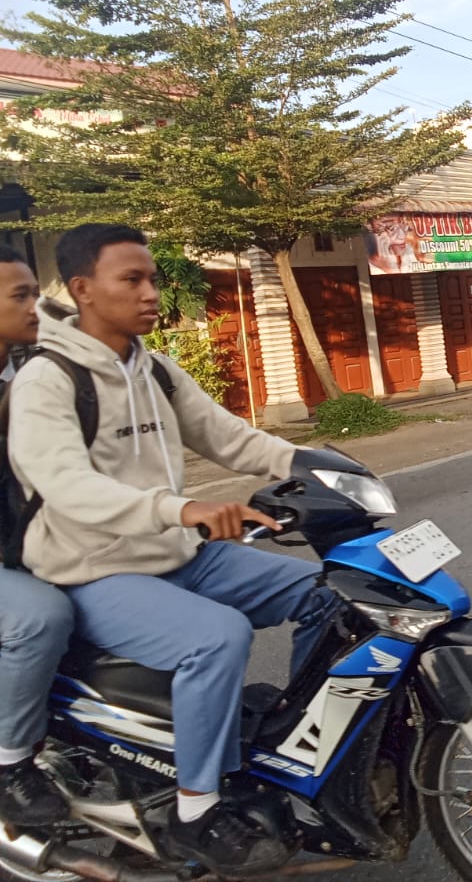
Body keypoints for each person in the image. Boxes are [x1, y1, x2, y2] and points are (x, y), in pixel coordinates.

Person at [8, 225, 335, 876]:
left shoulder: (152, 365)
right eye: (132, 280)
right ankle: (197, 811)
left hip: (177, 552)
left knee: (332, 596)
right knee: (215, 637)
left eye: (153, 278)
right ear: (82, 290)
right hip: (92, 568)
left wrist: (320, 465)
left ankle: (295, 748)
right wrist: (179, 508)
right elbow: (67, 485)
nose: (152, 293)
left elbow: (230, 437)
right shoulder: (47, 379)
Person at [0, 245, 73, 829]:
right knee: (38, 617)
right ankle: (9, 765)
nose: (37, 307)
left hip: (20, 544)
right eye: (21, 296)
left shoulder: (26, 369)